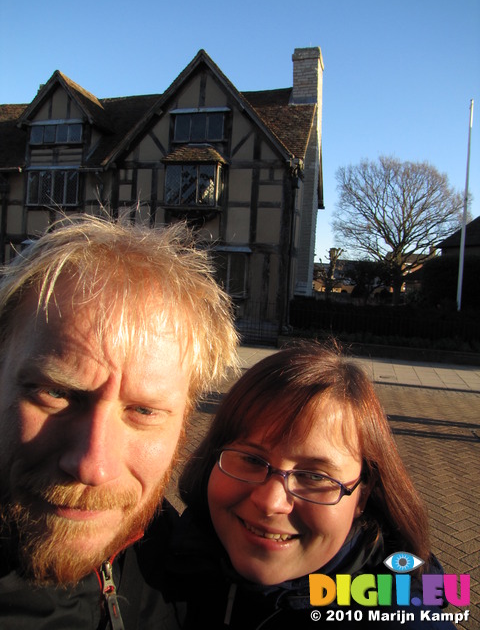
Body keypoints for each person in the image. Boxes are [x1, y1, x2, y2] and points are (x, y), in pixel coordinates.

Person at [0, 213, 238, 630]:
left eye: (144, 411)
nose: (93, 467)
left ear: (184, 422)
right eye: (55, 393)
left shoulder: (196, 568)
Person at [170, 341, 456, 629]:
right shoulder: (165, 557)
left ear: (362, 495)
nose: (270, 502)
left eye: (315, 476)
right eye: (251, 459)